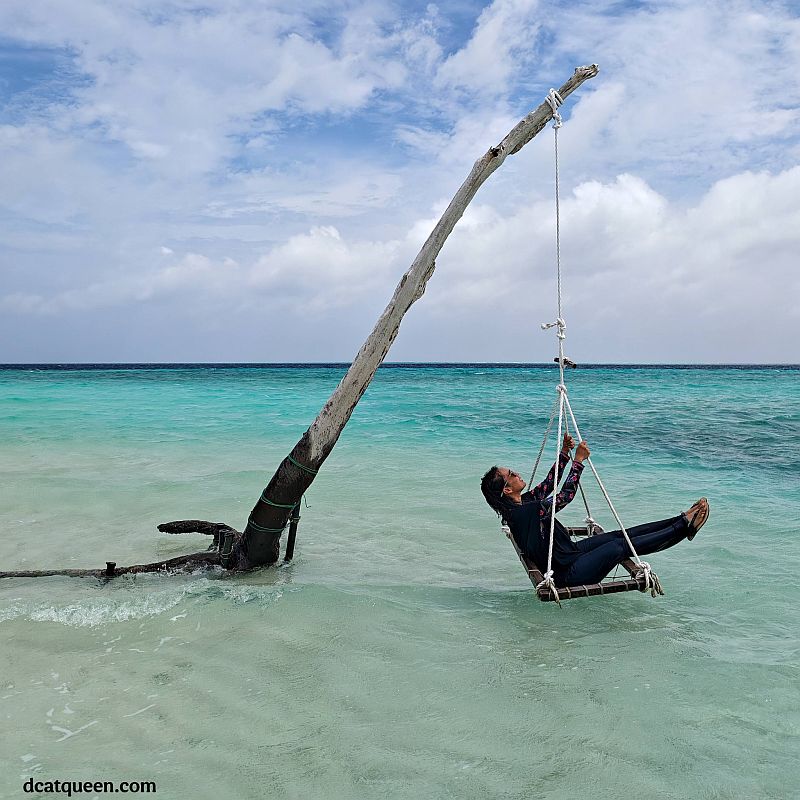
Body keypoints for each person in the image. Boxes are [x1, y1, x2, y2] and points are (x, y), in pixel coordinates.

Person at [480, 434, 709, 588]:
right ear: (508, 489)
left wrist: (564, 454)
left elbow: (549, 484)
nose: (517, 473)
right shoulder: (524, 512)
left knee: (619, 535)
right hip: (567, 574)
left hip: (569, 554)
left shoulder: (522, 504)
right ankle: (683, 528)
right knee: (618, 547)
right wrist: (578, 462)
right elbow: (564, 497)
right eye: (511, 474)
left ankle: (681, 519)